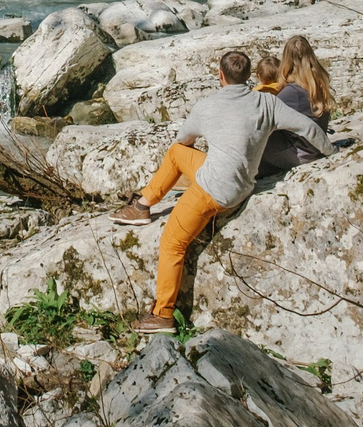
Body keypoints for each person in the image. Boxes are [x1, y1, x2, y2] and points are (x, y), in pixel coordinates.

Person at [110, 48, 321, 334]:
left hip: (215, 192)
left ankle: (163, 315)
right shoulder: (267, 102)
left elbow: (183, 138)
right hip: (244, 183)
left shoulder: (207, 106)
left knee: (172, 243)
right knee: (176, 154)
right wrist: (331, 153)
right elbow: (308, 127)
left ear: (220, 75)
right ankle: (142, 206)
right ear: (248, 76)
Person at [256, 34, 333, 174]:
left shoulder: (292, 92)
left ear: (286, 60)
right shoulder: (318, 84)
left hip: (298, 153)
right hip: (312, 148)